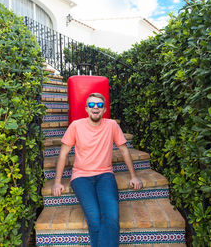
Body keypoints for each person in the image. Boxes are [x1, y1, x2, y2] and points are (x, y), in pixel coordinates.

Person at [52, 92, 143, 247]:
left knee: (111, 218)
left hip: (105, 175)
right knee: (94, 220)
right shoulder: (76, 126)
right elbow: (63, 153)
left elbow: (124, 150)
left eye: (99, 105)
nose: (95, 107)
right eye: (92, 105)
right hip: (81, 177)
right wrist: (57, 182)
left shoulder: (112, 125)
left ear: (104, 109)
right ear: (87, 109)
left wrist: (133, 176)